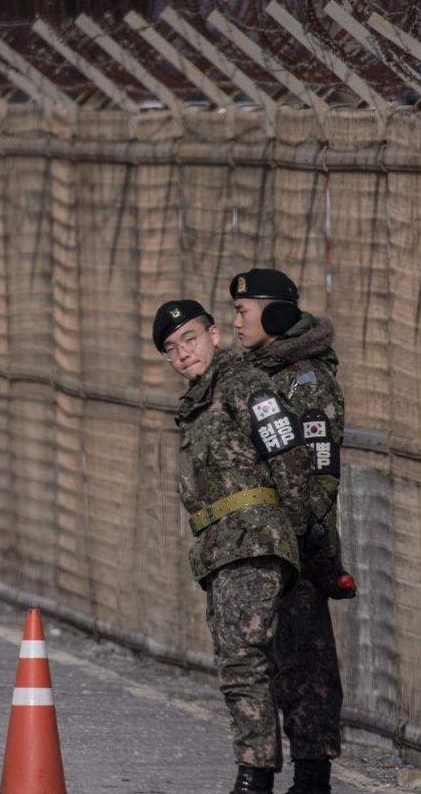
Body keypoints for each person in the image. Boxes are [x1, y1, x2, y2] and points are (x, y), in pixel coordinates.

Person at [153, 298, 310, 794]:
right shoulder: (200, 400)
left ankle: (255, 777)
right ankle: (259, 769)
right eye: (172, 349)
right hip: (224, 548)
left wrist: (295, 529)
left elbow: (287, 452)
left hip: (253, 541)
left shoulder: (241, 383)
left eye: (191, 339)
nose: (183, 354)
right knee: (240, 660)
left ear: (213, 335)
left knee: (243, 660)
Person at [229, 268, 352, 794]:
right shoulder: (255, 374)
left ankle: (312, 778)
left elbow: (318, 475)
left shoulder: (306, 380)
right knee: (267, 663)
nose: (235, 321)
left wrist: (295, 536)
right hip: (261, 544)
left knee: (306, 664)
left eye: (244, 310)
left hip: (297, 547)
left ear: (277, 313)